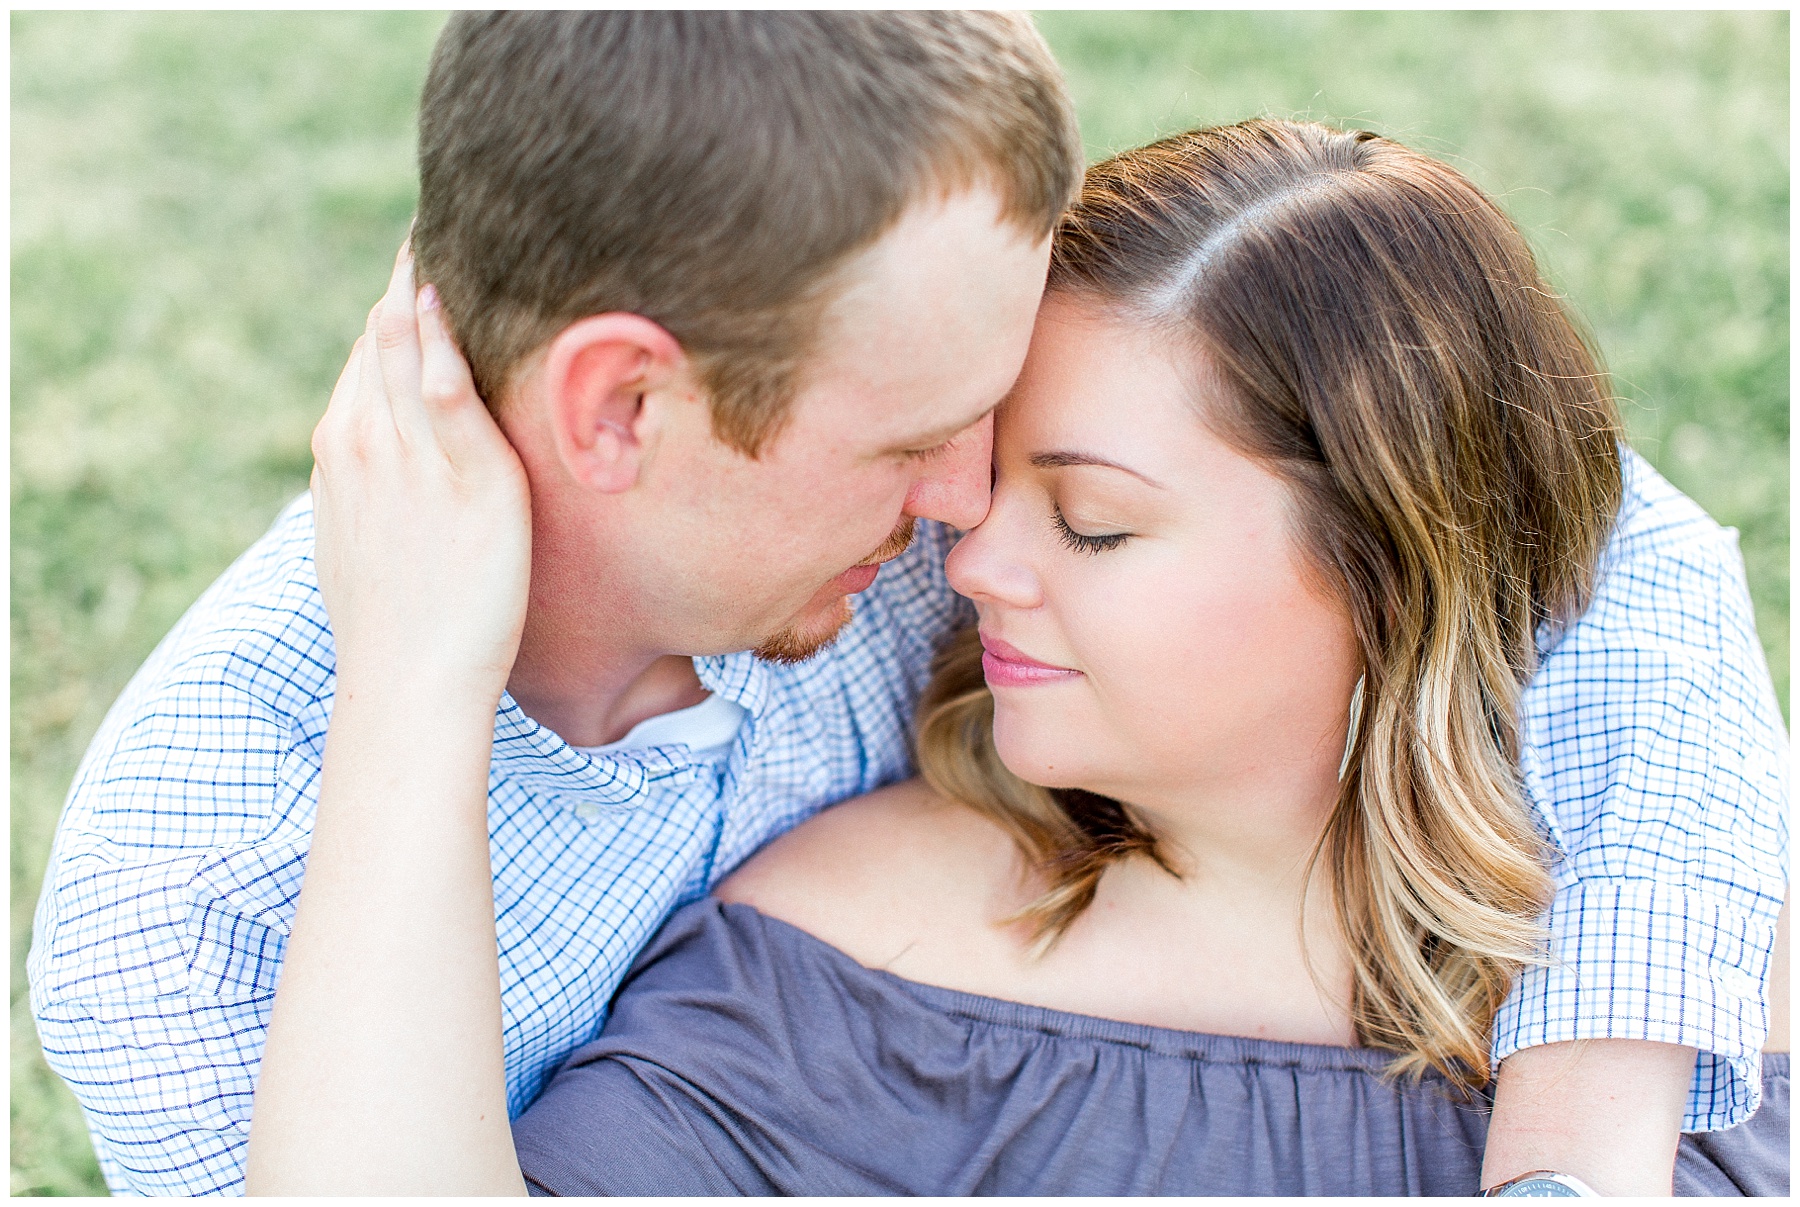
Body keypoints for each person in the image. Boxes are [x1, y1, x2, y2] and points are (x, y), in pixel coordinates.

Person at [31, 13, 1784, 1197]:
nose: (964, 533)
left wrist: (1587, 1119)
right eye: (932, 441)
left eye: (1033, 463)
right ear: (626, 410)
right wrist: (415, 693)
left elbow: (1568, 512)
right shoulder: (198, 892)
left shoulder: (857, 542)